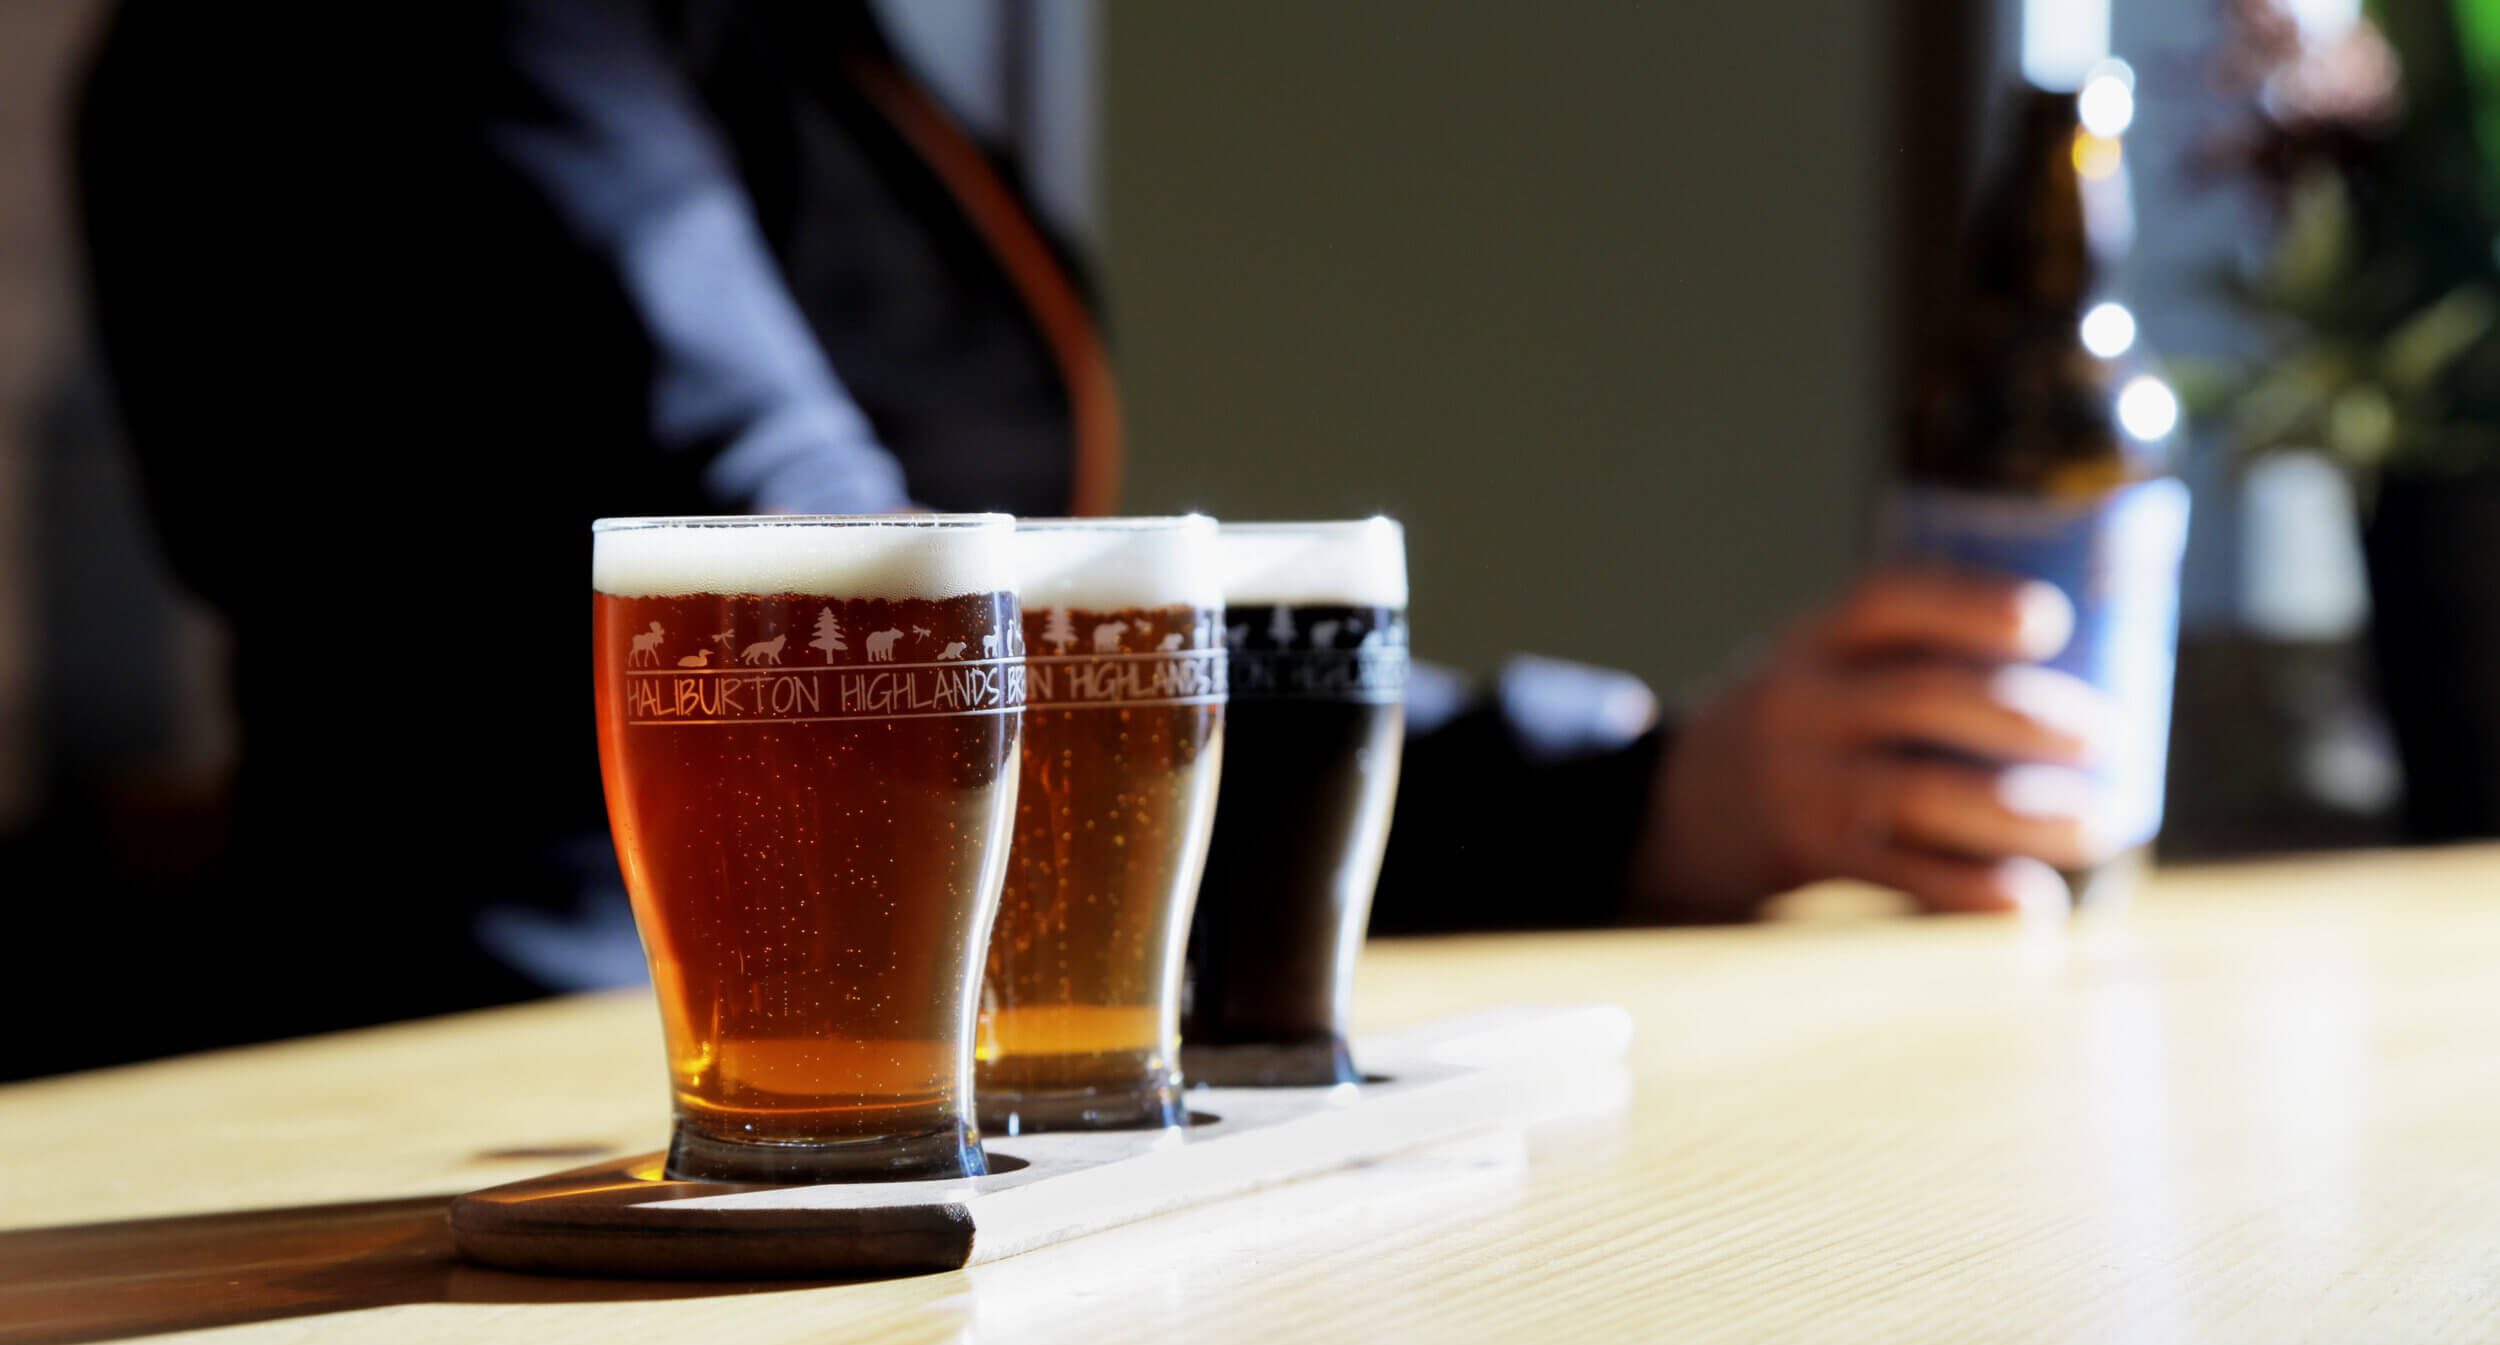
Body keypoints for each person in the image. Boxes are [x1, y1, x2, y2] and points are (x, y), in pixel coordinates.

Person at [66, 0, 2115, 1064]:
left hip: (818, 1055)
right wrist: (1617, 794)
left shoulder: (781, 32)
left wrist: (1643, 786)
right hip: (557, 1077)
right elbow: (861, 635)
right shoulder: (446, 33)